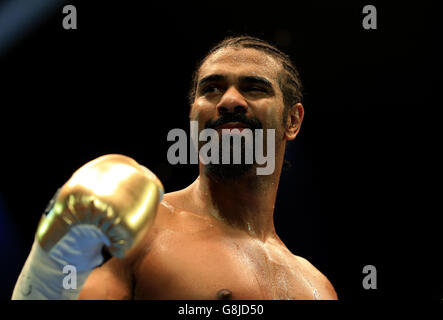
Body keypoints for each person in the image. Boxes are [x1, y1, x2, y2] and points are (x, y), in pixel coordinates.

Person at [12, 36, 338, 300]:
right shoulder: (145, 229)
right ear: (193, 117)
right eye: (211, 88)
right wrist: (51, 261)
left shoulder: (317, 288)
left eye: (254, 87)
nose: (228, 100)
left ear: (292, 120)